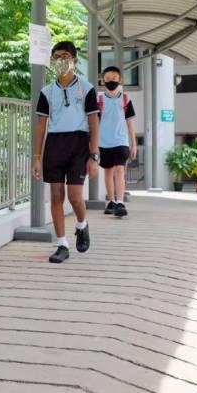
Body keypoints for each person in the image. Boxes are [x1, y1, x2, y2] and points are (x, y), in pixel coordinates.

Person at [32, 41, 100, 264]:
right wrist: (37, 157)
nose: (61, 61)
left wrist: (94, 155)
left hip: (79, 144)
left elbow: (93, 121)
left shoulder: (87, 88)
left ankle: (82, 224)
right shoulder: (47, 92)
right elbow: (41, 125)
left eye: (65, 57)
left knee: (75, 197)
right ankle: (62, 244)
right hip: (54, 144)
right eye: (57, 57)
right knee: (56, 195)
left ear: (75, 61)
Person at [97, 66, 137, 218]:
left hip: (121, 141)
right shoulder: (99, 100)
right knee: (108, 171)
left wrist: (133, 143)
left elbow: (130, 122)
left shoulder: (125, 99)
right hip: (103, 142)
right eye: (107, 78)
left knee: (120, 170)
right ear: (103, 81)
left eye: (114, 78)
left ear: (120, 80)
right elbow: (94, 122)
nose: (111, 81)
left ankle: (120, 202)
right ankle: (111, 201)